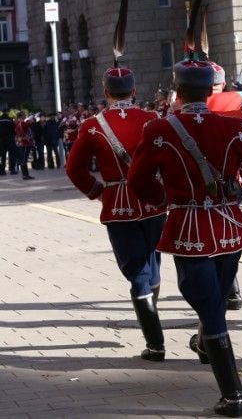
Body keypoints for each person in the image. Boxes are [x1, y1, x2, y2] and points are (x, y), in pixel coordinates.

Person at [129, 59, 242, 417]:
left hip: (189, 225)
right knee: (215, 301)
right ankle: (206, 346)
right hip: (228, 226)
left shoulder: (159, 128)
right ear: (213, 90)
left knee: (211, 310)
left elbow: (138, 182)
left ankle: (233, 396)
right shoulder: (235, 127)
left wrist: (164, 200)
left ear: (177, 91)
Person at [66, 68, 168, 361]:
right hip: (152, 201)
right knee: (152, 261)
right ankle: (153, 320)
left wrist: (97, 190)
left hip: (118, 203)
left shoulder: (92, 126)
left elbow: (74, 169)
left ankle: (155, 343)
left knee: (137, 272)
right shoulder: (152, 120)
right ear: (134, 91)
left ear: (106, 92)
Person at [13, 112, 35, 180]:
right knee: (24, 159)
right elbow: (27, 124)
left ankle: (25, 174)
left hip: (20, 143)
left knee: (23, 159)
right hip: (24, 143)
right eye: (24, 115)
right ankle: (25, 175)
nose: (25, 116)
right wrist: (31, 118)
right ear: (21, 116)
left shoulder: (17, 122)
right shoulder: (21, 123)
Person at [0, 108, 15, 175]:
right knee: (11, 155)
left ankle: (2, 170)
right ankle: (12, 169)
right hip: (10, 139)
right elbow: (13, 129)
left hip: (2, 140)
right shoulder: (10, 119)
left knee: (3, 155)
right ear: (8, 112)